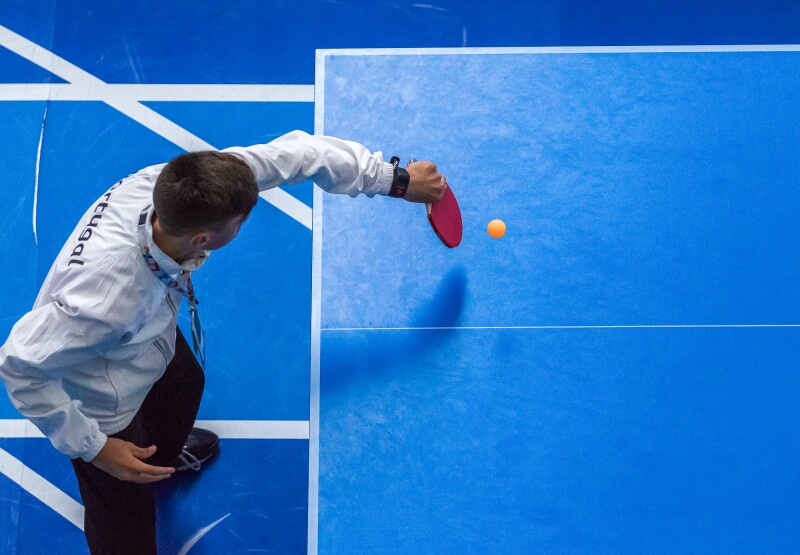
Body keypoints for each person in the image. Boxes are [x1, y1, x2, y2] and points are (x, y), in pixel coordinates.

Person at [0, 130, 446, 554]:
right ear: (201, 239)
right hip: (102, 402)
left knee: (184, 384)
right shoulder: (105, 302)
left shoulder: (170, 185)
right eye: (240, 221)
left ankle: (163, 457)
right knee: (124, 512)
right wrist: (95, 447)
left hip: (145, 336)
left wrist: (396, 180)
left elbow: (298, 154)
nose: (243, 223)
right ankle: (133, 471)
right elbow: (19, 367)